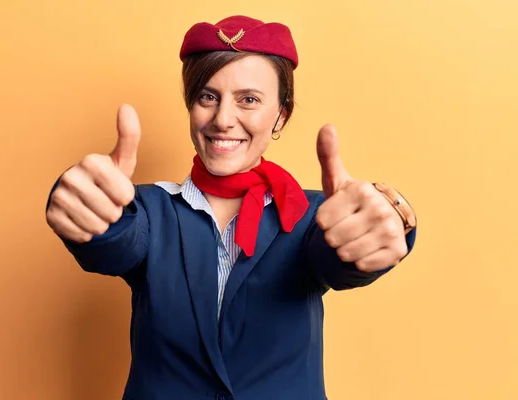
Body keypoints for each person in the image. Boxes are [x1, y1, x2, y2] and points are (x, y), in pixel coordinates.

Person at [45, 15, 417, 400]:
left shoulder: (314, 216)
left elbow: (344, 251)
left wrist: (389, 220)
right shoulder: (149, 209)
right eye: (208, 96)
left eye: (249, 100)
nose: (223, 120)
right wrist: (85, 202)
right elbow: (113, 237)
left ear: (281, 115)